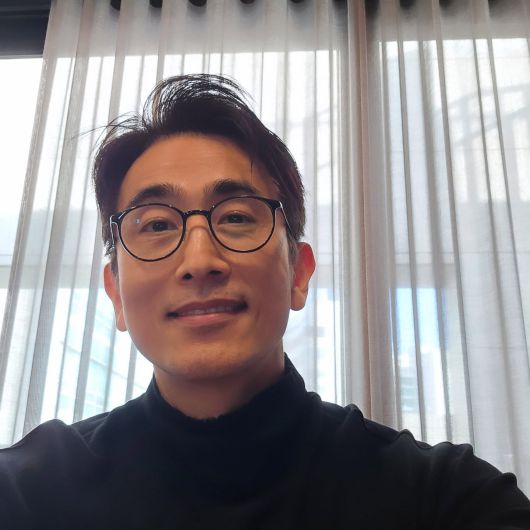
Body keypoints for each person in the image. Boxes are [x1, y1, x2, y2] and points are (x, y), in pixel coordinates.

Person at [0, 74, 529, 530]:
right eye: (157, 225)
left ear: (298, 273)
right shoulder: (28, 493)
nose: (199, 260)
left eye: (235, 217)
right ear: (115, 292)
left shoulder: (445, 498)